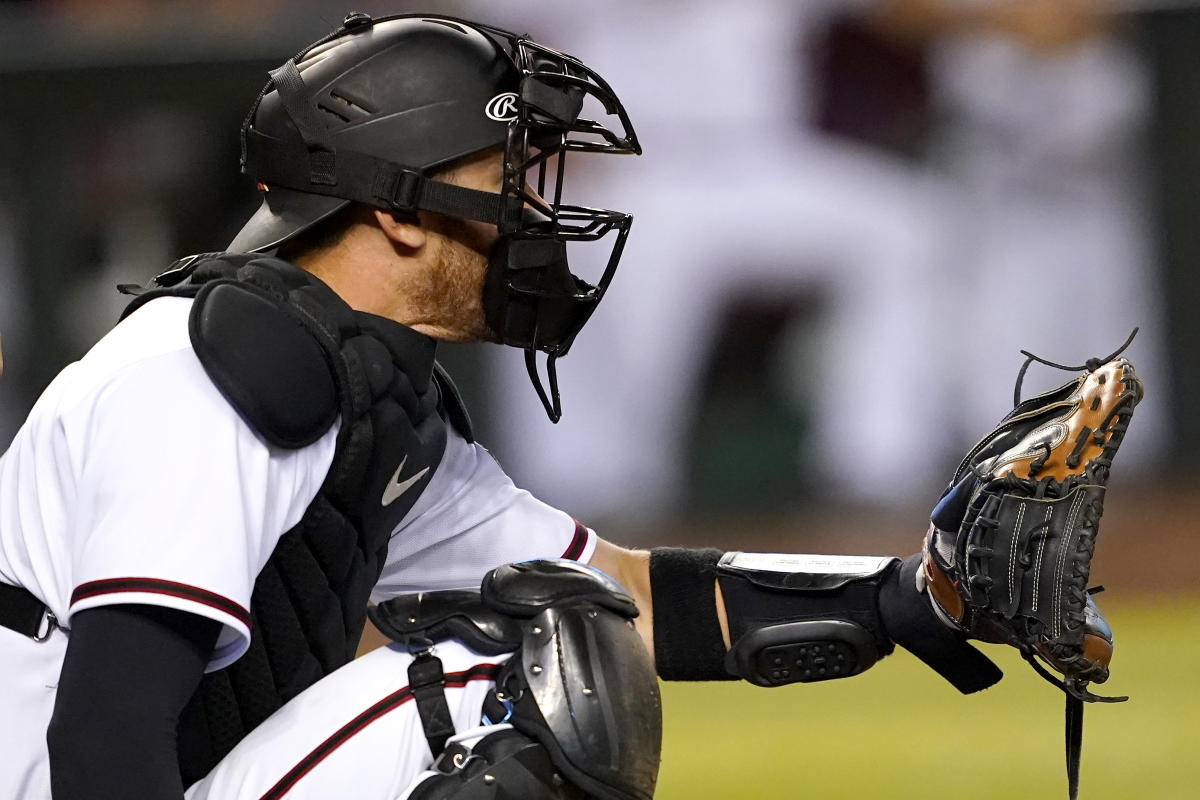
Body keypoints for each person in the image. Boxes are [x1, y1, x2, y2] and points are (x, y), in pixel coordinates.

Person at [0, 13, 1105, 800]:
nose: (542, 213)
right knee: (510, 684)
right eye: (510, 179)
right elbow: (103, 727)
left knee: (572, 626)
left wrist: (916, 598)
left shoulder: (362, 390)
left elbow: (620, 590)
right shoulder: (218, 374)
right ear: (398, 209)